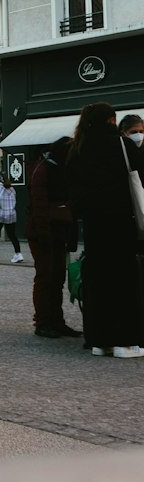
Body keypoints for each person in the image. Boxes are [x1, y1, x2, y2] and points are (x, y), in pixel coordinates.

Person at [68, 101, 144, 358]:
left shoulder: (78, 148)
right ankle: (125, 342)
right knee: (123, 280)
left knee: (97, 280)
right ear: (112, 120)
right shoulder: (121, 145)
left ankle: (100, 341)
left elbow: (72, 189)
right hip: (120, 221)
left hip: (92, 224)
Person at [27, 138, 80, 338]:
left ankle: (55, 321)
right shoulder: (45, 170)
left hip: (57, 230)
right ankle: (43, 322)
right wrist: (44, 233)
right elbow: (39, 206)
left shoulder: (55, 169)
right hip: (46, 231)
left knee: (56, 277)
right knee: (46, 277)